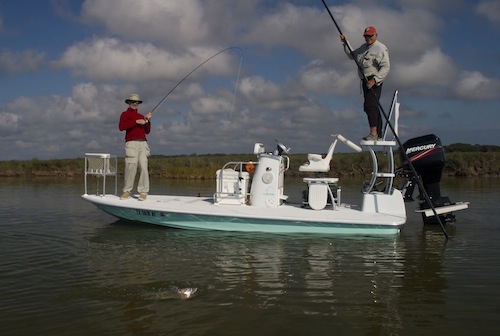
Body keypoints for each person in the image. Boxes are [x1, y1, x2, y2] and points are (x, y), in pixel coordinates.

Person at [340, 26, 390, 141]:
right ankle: (378, 134)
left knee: (371, 106)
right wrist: (345, 42)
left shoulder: (380, 48)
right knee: (369, 107)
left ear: (375, 35)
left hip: (374, 80)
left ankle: (374, 134)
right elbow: (352, 55)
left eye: (370, 36)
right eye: (366, 36)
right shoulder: (364, 47)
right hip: (365, 80)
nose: (368, 38)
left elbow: (386, 67)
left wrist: (374, 80)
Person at [119, 93, 153, 201]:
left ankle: (143, 192)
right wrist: (135, 122)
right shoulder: (124, 114)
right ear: (129, 103)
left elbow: (147, 131)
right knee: (131, 167)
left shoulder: (141, 116)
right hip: (131, 143)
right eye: (133, 102)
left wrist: (147, 120)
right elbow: (121, 127)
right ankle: (127, 191)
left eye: (137, 102)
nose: (135, 104)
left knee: (143, 166)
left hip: (143, 143)